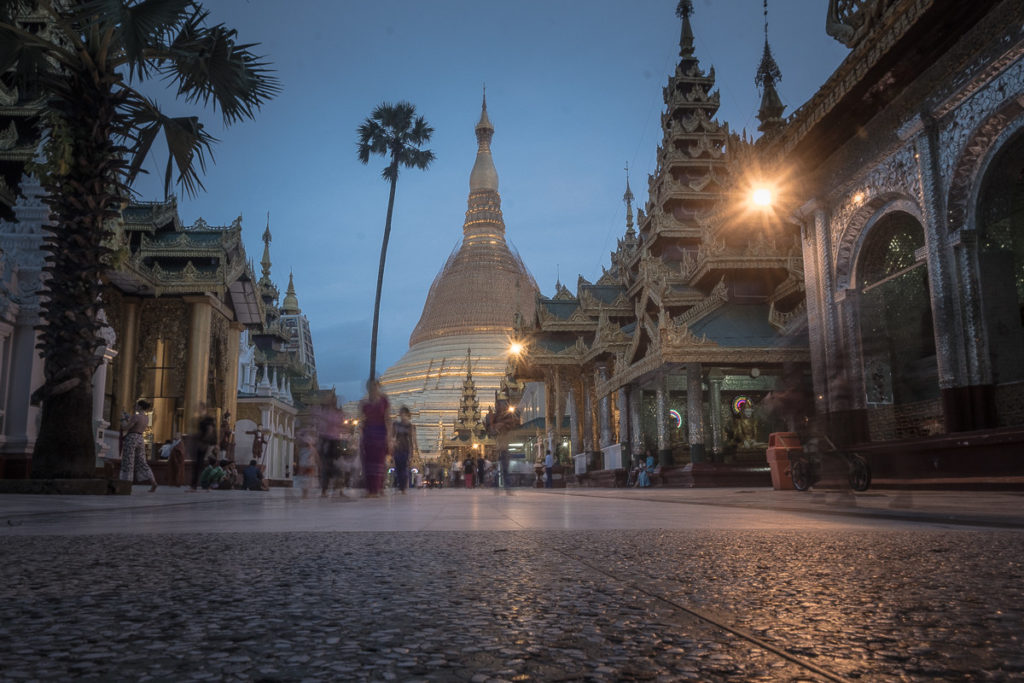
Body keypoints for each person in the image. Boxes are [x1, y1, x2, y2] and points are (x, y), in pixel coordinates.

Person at [359, 379, 391, 497]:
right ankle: (370, 489)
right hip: (368, 434)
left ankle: (377, 489)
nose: (373, 389)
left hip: (380, 433)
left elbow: (388, 419)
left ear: (378, 387)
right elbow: (361, 420)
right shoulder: (364, 403)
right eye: (370, 387)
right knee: (368, 462)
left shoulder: (384, 401)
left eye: (375, 386)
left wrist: (389, 437)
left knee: (378, 462)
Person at [119, 400, 158, 492]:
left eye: (136, 405)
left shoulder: (136, 416)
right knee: (142, 462)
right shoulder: (146, 418)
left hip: (132, 438)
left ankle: (127, 485)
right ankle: (153, 482)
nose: (135, 406)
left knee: (128, 461)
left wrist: (123, 419)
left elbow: (126, 427)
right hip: (140, 439)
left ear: (140, 407)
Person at [190, 412, 218, 491]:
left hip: (204, 445)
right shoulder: (210, 422)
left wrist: (203, 442)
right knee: (201, 465)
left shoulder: (207, 422)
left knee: (200, 465)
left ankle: (196, 485)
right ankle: (205, 485)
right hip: (207, 445)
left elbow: (209, 431)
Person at [392, 406, 416, 494]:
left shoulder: (410, 426)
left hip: (405, 448)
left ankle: (403, 488)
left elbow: (411, 439)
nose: (403, 416)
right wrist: (392, 444)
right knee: (397, 468)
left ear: (407, 415)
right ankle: (399, 486)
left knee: (404, 468)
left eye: (405, 414)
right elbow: (392, 436)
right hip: (397, 449)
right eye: (401, 414)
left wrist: (412, 452)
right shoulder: (396, 424)